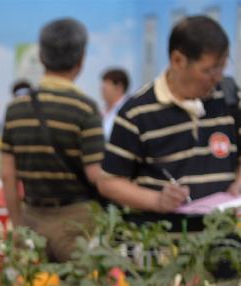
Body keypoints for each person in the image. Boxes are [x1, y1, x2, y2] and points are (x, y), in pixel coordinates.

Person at [99, 16, 239, 232]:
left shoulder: (230, 98)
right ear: (177, 60)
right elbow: (109, 182)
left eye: (223, 66)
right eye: (210, 70)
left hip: (225, 239)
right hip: (165, 245)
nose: (217, 78)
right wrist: (156, 200)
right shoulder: (137, 113)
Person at [0, 18, 104, 262]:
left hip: (32, 219)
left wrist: (19, 225)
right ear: (81, 60)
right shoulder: (85, 109)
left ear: (42, 57)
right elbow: (95, 173)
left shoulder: (16, 109)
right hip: (77, 223)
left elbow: (7, 175)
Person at [101, 68, 129, 140]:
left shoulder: (128, 110)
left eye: (107, 83)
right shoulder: (103, 110)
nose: (102, 88)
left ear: (119, 87)